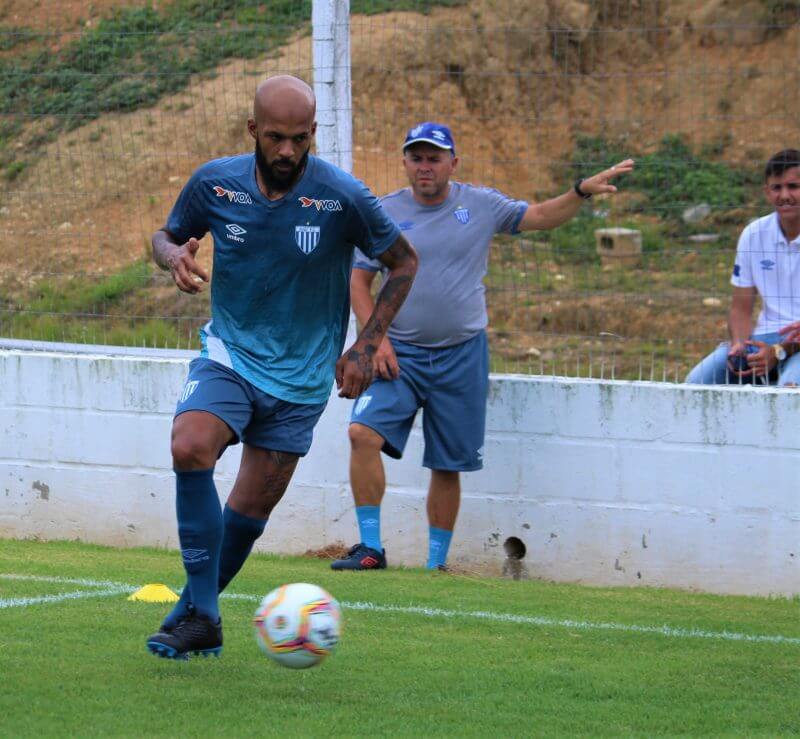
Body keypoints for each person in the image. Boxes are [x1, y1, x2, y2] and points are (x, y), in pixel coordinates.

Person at [145, 75, 418, 659]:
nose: (288, 151)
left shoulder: (343, 196)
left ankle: (189, 619)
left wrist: (367, 345)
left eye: (299, 138)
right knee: (189, 445)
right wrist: (174, 255)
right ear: (253, 131)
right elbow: (166, 235)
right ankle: (208, 615)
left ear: (313, 133)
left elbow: (404, 262)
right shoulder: (215, 183)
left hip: (300, 380)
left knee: (248, 510)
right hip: (231, 355)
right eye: (275, 137)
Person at [330, 121, 633, 571]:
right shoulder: (385, 212)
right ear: (405, 162)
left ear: (454, 162)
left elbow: (542, 216)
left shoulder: (481, 204)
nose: (425, 166)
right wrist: (376, 339)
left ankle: (436, 566)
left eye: (434, 157)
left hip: (462, 354)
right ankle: (371, 548)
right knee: (361, 434)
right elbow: (358, 278)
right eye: (416, 157)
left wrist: (581, 191)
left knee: (447, 464)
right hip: (400, 355)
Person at [686, 149, 800, 387]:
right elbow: (740, 308)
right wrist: (739, 344)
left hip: (794, 344)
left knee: (788, 394)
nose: (785, 195)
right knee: (696, 384)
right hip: (763, 339)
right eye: (777, 188)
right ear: (766, 192)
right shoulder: (753, 235)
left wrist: (778, 351)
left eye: (793, 186)